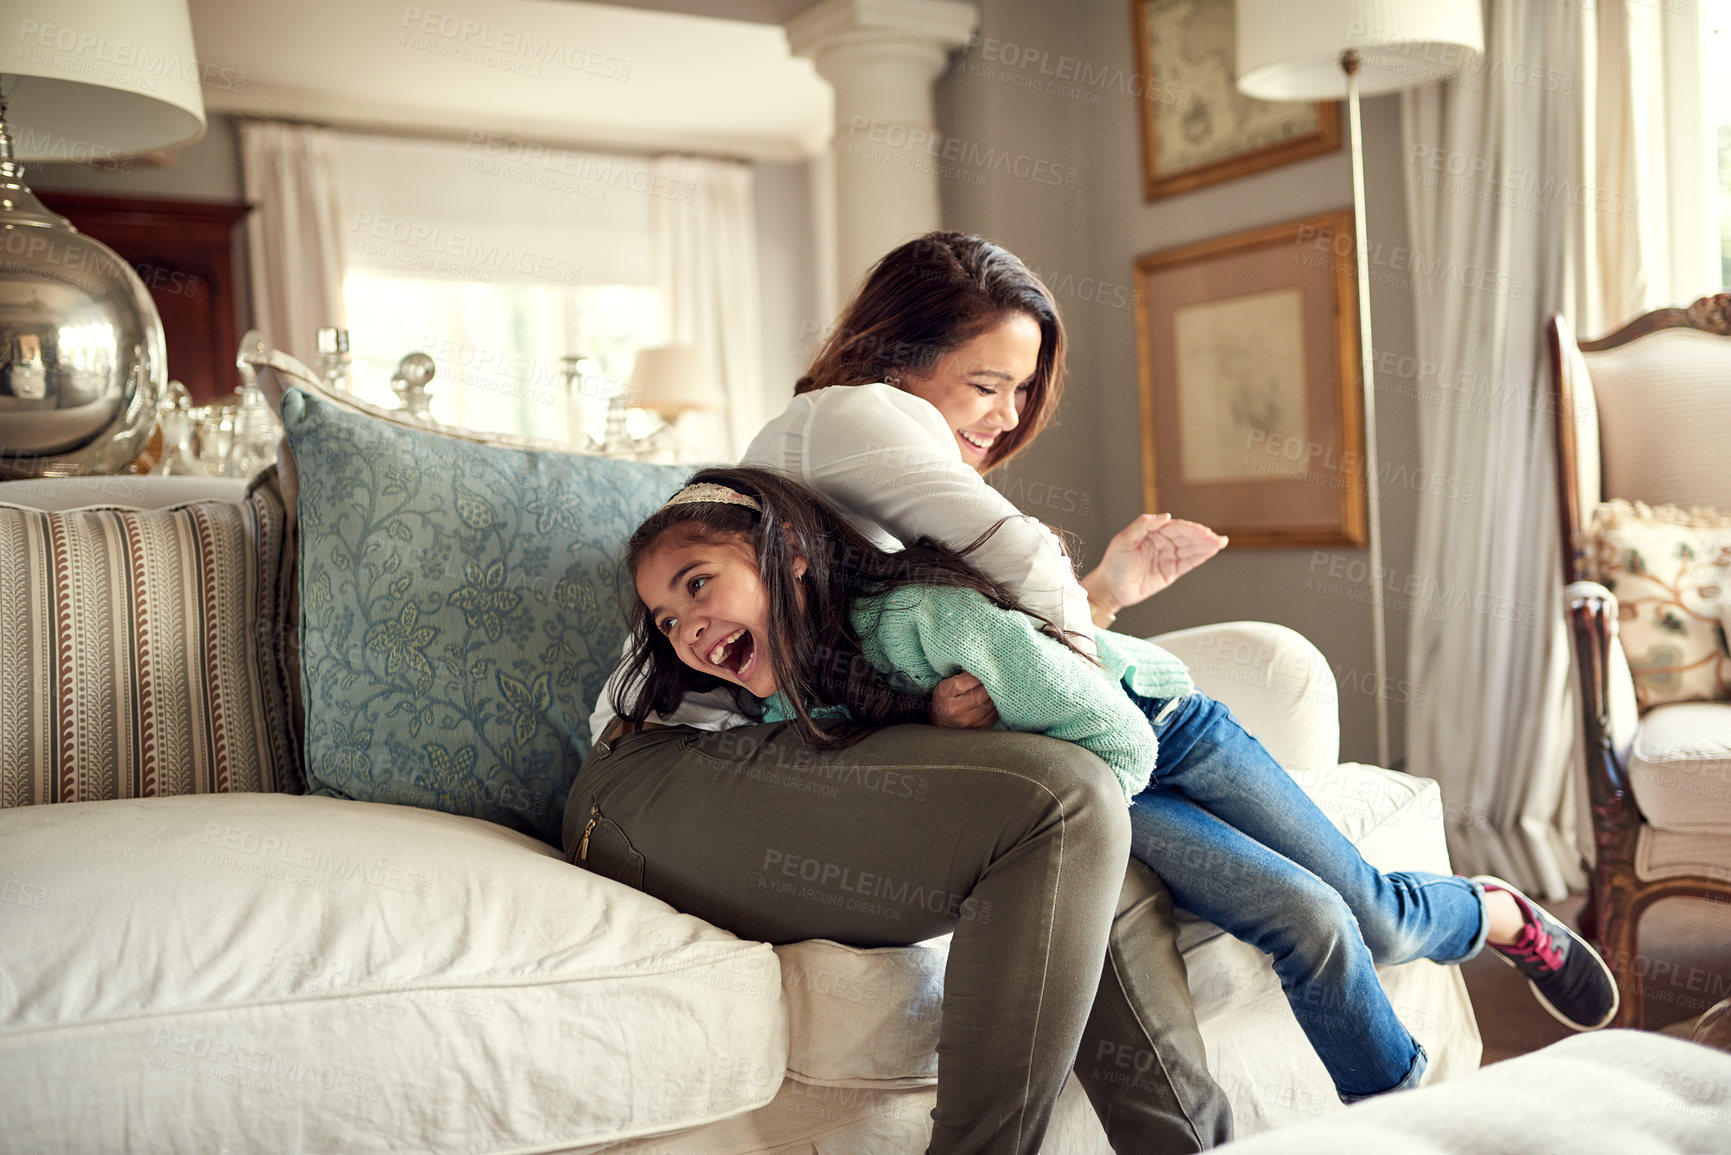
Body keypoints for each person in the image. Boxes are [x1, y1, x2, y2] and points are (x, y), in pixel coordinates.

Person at [618, 465, 1622, 1110]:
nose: (687, 628)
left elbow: (1108, 736)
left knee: (1376, 916)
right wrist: (932, 728)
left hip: (1159, 735)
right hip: (1084, 798)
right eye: (665, 619)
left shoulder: (926, 619)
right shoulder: (781, 716)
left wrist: (1018, 764)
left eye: (699, 583)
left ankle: (1495, 914)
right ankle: (1403, 1124)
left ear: (786, 556)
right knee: (1309, 920)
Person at [573, 233, 1239, 1153]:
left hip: (775, 753)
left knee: (1091, 845)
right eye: (984, 383)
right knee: (1064, 796)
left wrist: (1097, 606)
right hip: (651, 784)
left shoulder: (864, 496)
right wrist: (1085, 701)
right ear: (898, 362)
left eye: (1019, 389)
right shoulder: (854, 419)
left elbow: (934, 641)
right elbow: (1021, 558)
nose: (1004, 418)